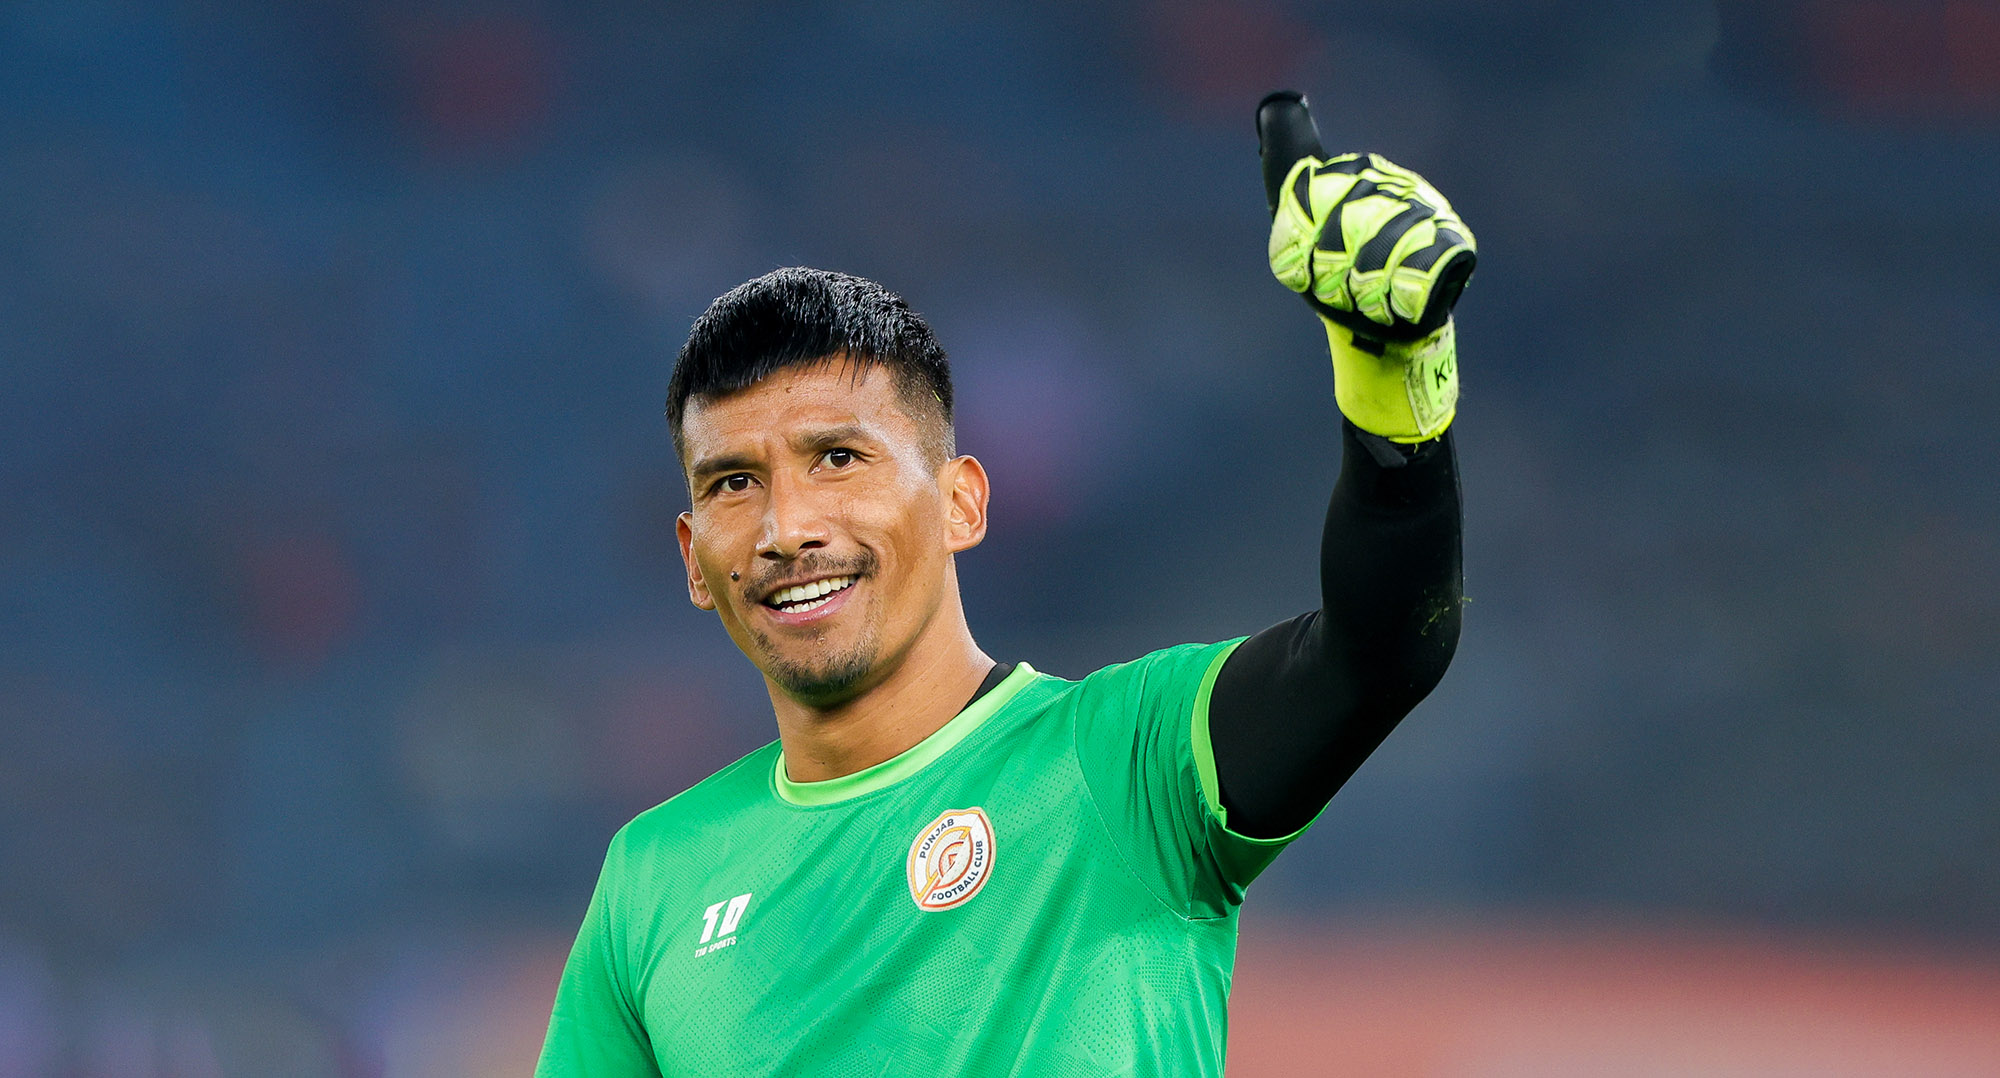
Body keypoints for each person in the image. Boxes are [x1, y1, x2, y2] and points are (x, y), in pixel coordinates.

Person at [535, 93, 1472, 1076]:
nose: (786, 529)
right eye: (734, 482)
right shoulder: (652, 875)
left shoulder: (1124, 761)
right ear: (692, 558)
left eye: (838, 459)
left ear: (961, 504)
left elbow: (1381, 649)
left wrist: (1392, 385)